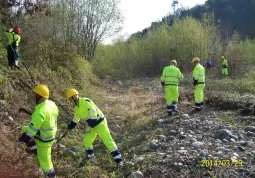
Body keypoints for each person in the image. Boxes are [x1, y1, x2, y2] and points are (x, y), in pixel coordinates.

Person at [66, 89, 123, 167]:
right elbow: (77, 116)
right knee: (87, 140)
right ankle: (91, 156)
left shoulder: (85, 101)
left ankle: (119, 160)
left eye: (70, 98)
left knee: (107, 140)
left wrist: (90, 125)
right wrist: (72, 125)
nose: (70, 101)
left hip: (99, 123)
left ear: (74, 97)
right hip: (92, 125)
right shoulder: (77, 107)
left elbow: (93, 113)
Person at [14, 84, 59, 178]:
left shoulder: (40, 112)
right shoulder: (52, 104)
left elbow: (31, 132)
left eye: (35, 94)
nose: (33, 96)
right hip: (51, 133)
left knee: (45, 162)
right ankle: (34, 149)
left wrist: (20, 140)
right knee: (24, 128)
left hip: (45, 140)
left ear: (40, 96)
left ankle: (51, 176)